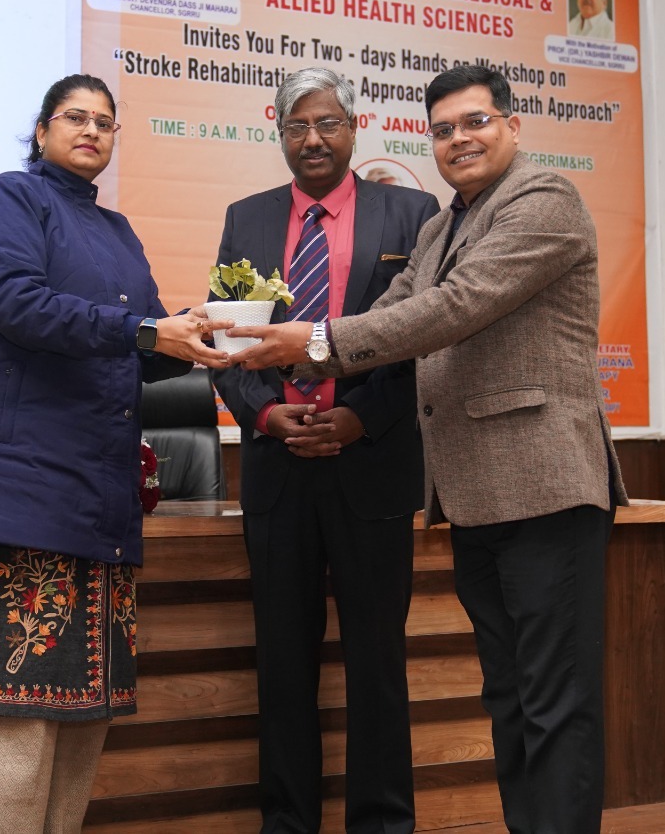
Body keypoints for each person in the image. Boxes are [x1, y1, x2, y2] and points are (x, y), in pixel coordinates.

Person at [222, 63, 627, 834]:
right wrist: (272, 353)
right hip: (474, 496)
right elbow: (394, 311)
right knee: (509, 697)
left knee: (555, 701)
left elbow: (453, 308)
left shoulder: (544, 200)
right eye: (443, 130)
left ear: (513, 126)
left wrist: (312, 343)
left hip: (545, 486)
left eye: (475, 122)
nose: (458, 140)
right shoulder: (442, 229)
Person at [0, 74, 231, 834]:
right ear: (41, 131)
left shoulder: (117, 231)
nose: (93, 130)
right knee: (17, 726)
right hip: (21, 494)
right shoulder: (9, 198)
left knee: (82, 722)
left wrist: (201, 335)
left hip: (100, 502)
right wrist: (146, 332)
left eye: (106, 121)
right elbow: (20, 306)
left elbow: (141, 346)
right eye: (76, 116)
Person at [210, 68, 438, 834]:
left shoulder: (411, 214)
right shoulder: (246, 219)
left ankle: (382, 824)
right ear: (278, 132)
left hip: (372, 465)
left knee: (377, 664)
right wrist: (265, 413)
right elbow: (229, 341)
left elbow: (424, 339)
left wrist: (359, 419)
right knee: (283, 665)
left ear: (354, 127)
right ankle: (287, 822)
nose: (313, 139)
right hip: (277, 471)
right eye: (297, 126)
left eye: (328, 123)